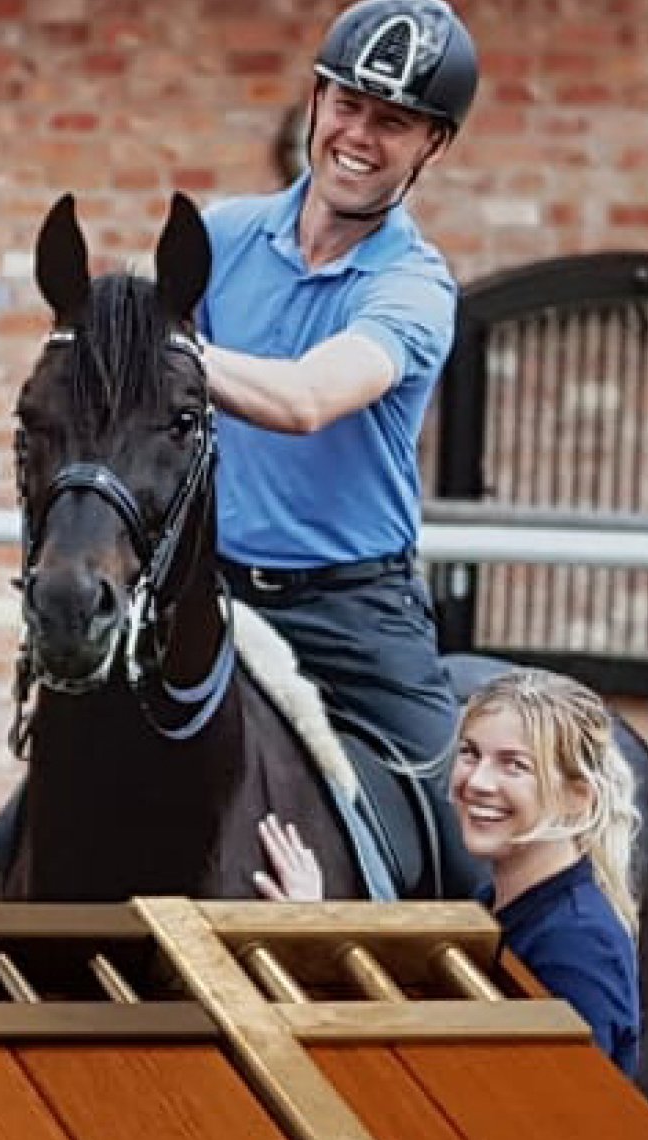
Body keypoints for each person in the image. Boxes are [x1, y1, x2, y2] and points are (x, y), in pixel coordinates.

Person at [201, 0, 479, 775]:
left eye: (393, 121)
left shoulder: (414, 286)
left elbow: (306, 401)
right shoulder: (222, 235)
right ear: (317, 100)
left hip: (349, 614)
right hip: (205, 589)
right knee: (25, 819)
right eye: (348, 104)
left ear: (434, 143)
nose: (358, 136)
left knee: (457, 834)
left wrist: (169, 353)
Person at [255, 668, 642, 1076]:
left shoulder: (577, 943)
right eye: (471, 754)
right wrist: (315, 927)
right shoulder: (488, 907)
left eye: (514, 766)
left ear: (577, 796)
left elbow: (574, 1118)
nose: (477, 781)